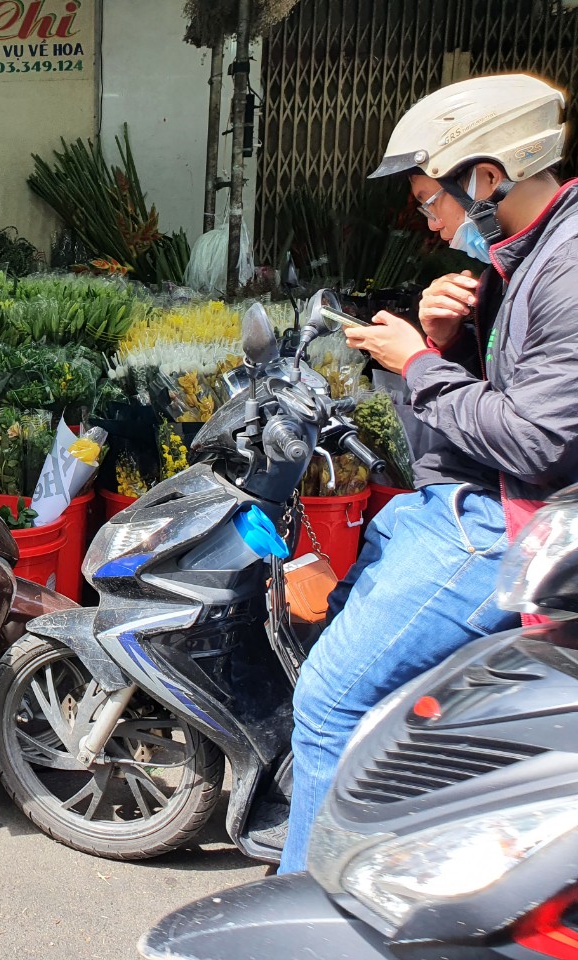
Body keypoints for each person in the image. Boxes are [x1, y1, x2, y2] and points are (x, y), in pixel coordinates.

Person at [280, 73, 578, 873]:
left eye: (429, 198)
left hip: (507, 532)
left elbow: (540, 444)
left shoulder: (568, 269)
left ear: (487, 177)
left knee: (328, 701)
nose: (428, 218)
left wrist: (418, 363)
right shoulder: (529, 256)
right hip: (471, 506)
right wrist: (451, 339)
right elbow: (503, 403)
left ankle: (305, 906)